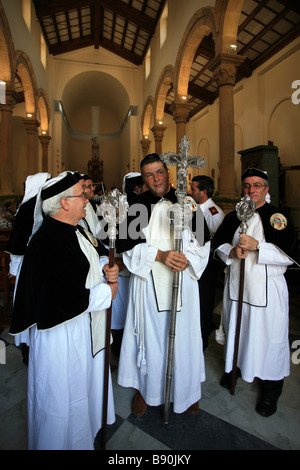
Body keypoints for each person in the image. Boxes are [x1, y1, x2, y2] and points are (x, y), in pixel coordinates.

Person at [9, 172, 119, 450]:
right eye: (81, 195)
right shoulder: (48, 241)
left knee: (78, 393)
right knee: (61, 398)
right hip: (61, 336)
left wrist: (105, 264)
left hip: (79, 329)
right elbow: (61, 298)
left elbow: (90, 255)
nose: (87, 199)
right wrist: (108, 292)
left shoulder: (75, 229)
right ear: (64, 203)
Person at [117, 153, 210, 417]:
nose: (155, 179)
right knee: (151, 338)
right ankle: (147, 391)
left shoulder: (189, 203)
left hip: (183, 284)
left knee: (185, 338)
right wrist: (159, 255)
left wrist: (186, 258)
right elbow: (127, 250)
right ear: (143, 178)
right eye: (149, 175)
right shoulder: (138, 206)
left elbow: (203, 243)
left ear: (168, 173)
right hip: (149, 285)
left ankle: (188, 392)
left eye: (159, 172)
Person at [213, 168, 300, 417]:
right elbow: (218, 245)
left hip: (267, 292)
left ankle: (271, 390)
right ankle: (235, 369)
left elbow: (289, 256)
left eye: (257, 185)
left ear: (266, 189)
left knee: (269, 340)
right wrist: (231, 252)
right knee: (238, 334)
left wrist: (258, 246)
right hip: (236, 289)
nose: (251, 190)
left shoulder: (277, 217)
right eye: (247, 185)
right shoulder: (233, 217)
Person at [189, 175, 225, 349]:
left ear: (203, 192)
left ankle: (202, 338)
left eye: (193, 189)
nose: (190, 191)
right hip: (194, 260)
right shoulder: (193, 207)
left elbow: (219, 240)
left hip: (207, 263)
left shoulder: (213, 212)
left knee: (204, 300)